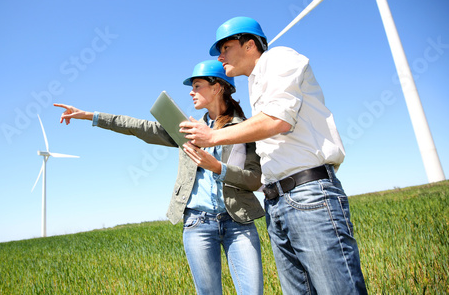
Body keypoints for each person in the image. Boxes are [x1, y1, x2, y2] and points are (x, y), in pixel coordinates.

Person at [179, 17, 368, 294]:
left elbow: (279, 120)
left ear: (250, 45)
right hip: (278, 203)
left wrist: (213, 137)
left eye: (225, 47)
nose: (220, 57)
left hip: (308, 194)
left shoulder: (279, 58)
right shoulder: (255, 83)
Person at [54, 60, 265, 295]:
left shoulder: (245, 128)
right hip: (198, 223)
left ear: (217, 88)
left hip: (238, 222)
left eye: (197, 85)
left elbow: (255, 179)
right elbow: (140, 127)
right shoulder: (187, 129)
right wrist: (91, 116)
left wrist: (218, 168)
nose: (191, 92)